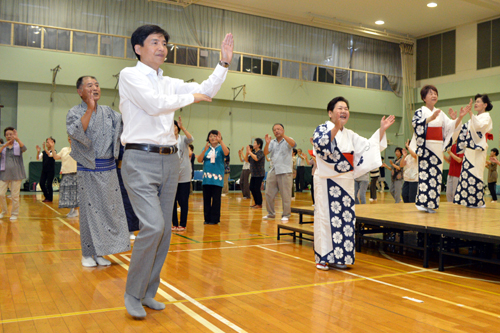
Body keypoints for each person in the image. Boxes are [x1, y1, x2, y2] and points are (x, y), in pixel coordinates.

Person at [118, 24, 233, 318]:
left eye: (164, 43)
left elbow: (206, 90)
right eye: (154, 42)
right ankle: (132, 293)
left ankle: (147, 292)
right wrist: (193, 97)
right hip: (139, 158)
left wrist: (223, 64)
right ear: (138, 48)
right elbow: (155, 105)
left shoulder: (169, 82)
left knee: (165, 231)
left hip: (171, 160)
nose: (161, 47)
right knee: (153, 226)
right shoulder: (130, 76)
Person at [313, 96, 395, 270]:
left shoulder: (349, 134)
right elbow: (321, 146)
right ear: (330, 113)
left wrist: (381, 130)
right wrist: (335, 127)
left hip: (346, 180)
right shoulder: (322, 129)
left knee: (345, 219)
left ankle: (341, 257)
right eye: (339, 108)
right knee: (326, 219)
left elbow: (368, 146)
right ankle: (324, 257)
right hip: (327, 180)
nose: (344, 111)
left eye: (346, 108)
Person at [67, 75, 130, 268]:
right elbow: (76, 132)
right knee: (89, 213)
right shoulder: (74, 112)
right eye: (89, 85)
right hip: (88, 169)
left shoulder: (109, 113)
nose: (95, 88)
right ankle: (87, 253)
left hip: (109, 169)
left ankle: (101, 251)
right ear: (80, 92)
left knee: (109, 211)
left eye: (97, 84)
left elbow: (124, 126)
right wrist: (90, 109)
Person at [412, 85, 467, 213]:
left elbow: (450, 127)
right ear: (424, 97)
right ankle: (424, 203)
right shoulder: (420, 111)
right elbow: (416, 124)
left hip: (438, 148)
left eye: (435, 93)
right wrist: (430, 119)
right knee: (426, 177)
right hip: (426, 148)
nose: (434, 95)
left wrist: (459, 118)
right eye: (430, 93)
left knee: (436, 177)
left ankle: (431, 204)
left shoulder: (440, 113)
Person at [453, 95, 493, 207]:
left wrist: (470, 113)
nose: (476, 103)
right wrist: (457, 118)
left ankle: (478, 201)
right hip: (469, 150)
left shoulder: (486, 117)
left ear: (485, 105)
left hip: (478, 150)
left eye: (478, 101)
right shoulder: (473, 118)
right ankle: (467, 201)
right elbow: (462, 129)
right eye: (475, 101)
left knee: (476, 174)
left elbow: (479, 126)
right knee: (466, 175)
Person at [263, 124, 296, 222]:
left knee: (286, 195)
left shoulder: (288, 139)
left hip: (285, 171)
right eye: (274, 130)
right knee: (268, 193)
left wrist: (284, 135)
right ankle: (271, 213)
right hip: (273, 170)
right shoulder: (272, 142)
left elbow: (293, 144)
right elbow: (265, 153)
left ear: (283, 130)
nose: (276, 131)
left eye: (279, 129)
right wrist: (267, 143)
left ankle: (286, 214)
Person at [198, 130, 229, 224]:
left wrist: (221, 141)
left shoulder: (221, 148)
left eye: (215, 136)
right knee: (206, 200)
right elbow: (199, 160)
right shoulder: (206, 148)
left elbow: (226, 153)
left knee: (216, 200)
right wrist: (204, 150)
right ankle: (207, 219)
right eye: (210, 136)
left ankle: (215, 219)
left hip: (217, 179)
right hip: (207, 179)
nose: (212, 138)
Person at [0, 127, 27, 220]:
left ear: (14, 135)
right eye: (7, 135)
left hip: (16, 174)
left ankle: (14, 213)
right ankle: (4, 211)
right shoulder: (2, 147)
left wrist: (17, 138)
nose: (9, 136)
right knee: (1, 194)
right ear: (5, 136)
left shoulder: (18, 145)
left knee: (15, 196)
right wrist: (5, 145)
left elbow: (24, 148)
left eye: (10, 134)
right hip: (4, 174)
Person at [172, 117, 193, 231]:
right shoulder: (167, 140)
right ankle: (174, 223)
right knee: (172, 200)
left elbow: (191, 138)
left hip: (184, 174)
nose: (173, 128)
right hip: (172, 174)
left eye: (175, 126)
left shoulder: (183, 139)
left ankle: (183, 224)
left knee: (183, 200)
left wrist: (183, 127)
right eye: (172, 126)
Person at [116, 143, 140, 240]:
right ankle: (118, 230)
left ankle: (131, 229)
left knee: (131, 202)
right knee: (119, 201)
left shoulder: (135, 140)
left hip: (133, 172)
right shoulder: (117, 140)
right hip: (118, 172)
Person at [52, 135, 79, 217]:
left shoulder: (78, 150)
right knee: (66, 193)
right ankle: (72, 210)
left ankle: (75, 211)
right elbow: (56, 157)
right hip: (65, 174)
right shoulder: (64, 149)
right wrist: (53, 147)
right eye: (68, 137)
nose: (69, 138)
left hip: (75, 174)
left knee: (74, 193)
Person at [245, 138, 265, 209]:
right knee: (251, 188)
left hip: (259, 174)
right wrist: (247, 152)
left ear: (259, 145)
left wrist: (250, 152)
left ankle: (259, 203)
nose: (253, 144)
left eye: (255, 143)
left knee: (256, 188)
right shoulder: (254, 153)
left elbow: (256, 158)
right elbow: (246, 160)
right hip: (254, 174)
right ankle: (256, 202)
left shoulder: (261, 152)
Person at [36, 137, 56, 202]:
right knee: (41, 183)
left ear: (53, 143)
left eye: (50, 142)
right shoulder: (43, 152)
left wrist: (44, 148)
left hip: (51, 170)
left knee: (49, 184)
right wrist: (38, 152)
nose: (48, 143)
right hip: (44, 170)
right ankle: (47, 196)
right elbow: (38, 158)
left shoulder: (54, 151)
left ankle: (50, 198)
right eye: (47, 142)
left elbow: (50, 155)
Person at [307, 139, 317, 206]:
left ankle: (318, 202)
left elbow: (318, 162)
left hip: (319, 175)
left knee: (318, 189)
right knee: (313, 189)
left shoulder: (320, 157)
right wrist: (306, 158)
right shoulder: (313, 158)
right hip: (313, 174)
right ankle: (314, 202)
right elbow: (309, 163)